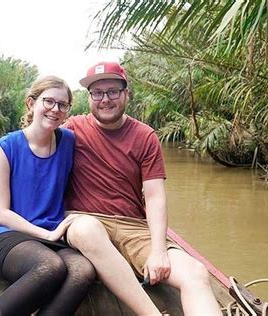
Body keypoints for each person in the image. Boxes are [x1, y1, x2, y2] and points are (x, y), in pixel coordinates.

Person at [63, 62, 221, 315]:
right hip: (84, 220)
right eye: (97, 93)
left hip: (132, 227)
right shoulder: (72, 128)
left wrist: (159, 251)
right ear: (89, 97)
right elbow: (34, 150)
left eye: (113, 91)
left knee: (195, 273)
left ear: (127, 93)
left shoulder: (145, 136)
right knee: (85, 230)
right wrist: (3, 188)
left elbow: (155, 196)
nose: (105, 99)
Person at [0, 75, 96, 316]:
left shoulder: (68, 140)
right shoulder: (5, 148)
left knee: (83, 270)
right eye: (48, 101)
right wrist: (48, 233)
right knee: (50, 267)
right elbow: (1, 213)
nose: (55, 109)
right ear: (31, 103)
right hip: (5, 235)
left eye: (62, 105)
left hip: (50, 235)